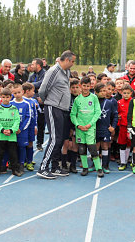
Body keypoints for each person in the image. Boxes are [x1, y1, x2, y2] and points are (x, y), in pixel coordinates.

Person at [37, 50, 75, 179]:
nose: (73, 64)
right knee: (54, 138)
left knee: (59, 139)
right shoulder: (54, 71)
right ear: (67, 60)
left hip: (62, 109)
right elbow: (43, 89)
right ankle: (43, 168)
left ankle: (54, 167)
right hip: (53, 107)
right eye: (73, 61)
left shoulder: (66, 72)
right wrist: (46, 100)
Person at [70, 76, 103, 177]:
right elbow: (72, 114)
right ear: (80, 86)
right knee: (82, 149)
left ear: (90, 86)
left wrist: (90, 124)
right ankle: (85, 168)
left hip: (90, 128)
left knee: (92, 149)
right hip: (80, 129)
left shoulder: (94, 98)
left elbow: (98, 112)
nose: (85, 88)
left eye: (88, 86)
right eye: (84, 86)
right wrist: (78, 125)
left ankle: (99, 169)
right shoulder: (77, 99)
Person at [0, 88, 21, 177]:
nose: (5, 99)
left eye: (7, 97)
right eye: (3, 97)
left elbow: (17, 121)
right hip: (1, 135)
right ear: (1, 97)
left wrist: (11, 130)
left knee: (13, 154)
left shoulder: (14, 109)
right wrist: (2, 130)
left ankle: (15, 170)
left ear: (10, 97)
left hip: (11, 136)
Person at [95, 82, 118, 174]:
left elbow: (115, 115)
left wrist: (113, 126)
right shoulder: (93, 101)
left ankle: (105, 165)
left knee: (105, 146)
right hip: (95, 128)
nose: (104, 93)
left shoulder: (110, 102)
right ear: (96, 92)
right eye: (101, 91)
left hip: (105, 128)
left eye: (105, 91)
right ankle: (95, 165)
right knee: (95, 147)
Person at [11, 83, 32, 176]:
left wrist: (21, 128)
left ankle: (22, 164)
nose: (17, 95)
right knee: (13, 147)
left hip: (22, 131)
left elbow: (28, 117)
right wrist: (13, 128)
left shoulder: (26, 104)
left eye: (19, 92)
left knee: (22, 147)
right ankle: (14, 164)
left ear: (22, 92)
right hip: (13, 131)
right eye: (15, 93)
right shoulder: (11, 103)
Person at [117, 84, 133, 170]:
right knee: (122, 144)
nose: (126, 94)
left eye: (128, 93)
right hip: (122, 127)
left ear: (131, 93)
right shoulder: (119, 102)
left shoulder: (133, 102)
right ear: (121, 93)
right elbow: (117, 113)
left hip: (132, 127)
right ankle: (123, 162)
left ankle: (127, 161)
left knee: (130, 145)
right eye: (124, 93)